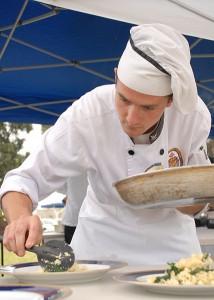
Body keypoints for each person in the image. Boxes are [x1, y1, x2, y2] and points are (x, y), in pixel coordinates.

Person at [0, 23, 211, 266]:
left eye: (148, 108)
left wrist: (179, 195)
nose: (131, 118)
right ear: (115, 77)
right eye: (123, 99)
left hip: (172, 249)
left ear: (170, 100)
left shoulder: (193, 117)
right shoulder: (89, 114)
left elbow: (198, 202)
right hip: (100, 248)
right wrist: (20, 219)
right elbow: (24, 180)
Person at [58, 174, 88, 244]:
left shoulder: (70, 170)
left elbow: (57, 187)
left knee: (70, 253)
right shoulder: (97, 170)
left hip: (72, 220)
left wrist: (71, 192)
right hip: (90, 221)